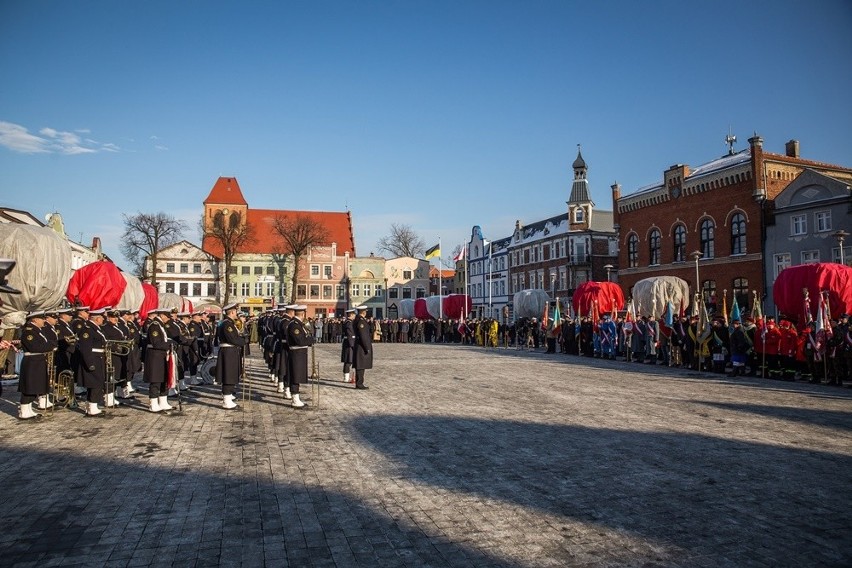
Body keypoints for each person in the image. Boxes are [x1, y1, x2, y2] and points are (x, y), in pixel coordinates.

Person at [18, 311, 56, 419]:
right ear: (34, 319)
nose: (44, 321)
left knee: (34, 386)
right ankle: (24, 411)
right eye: (41, 319)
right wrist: (51, 346)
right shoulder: (29, 331)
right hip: (32, 362)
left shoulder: (37, 330)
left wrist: (49, 345)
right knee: (29, 387)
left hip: (38, 361)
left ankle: (28, 410)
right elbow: (35, 347)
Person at [75, 307, 108, 416]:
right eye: (102, 318)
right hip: (93, 359)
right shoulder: (88, 330)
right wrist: (90, 363)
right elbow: (85, 349)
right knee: (95, 384)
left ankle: (91, 406)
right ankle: (92, 407)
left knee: (96, 384)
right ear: (97, 319)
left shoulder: (95, 328)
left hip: (98, 358)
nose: (103, 319)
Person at [216, 303, 247, 409]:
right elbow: (232, 338)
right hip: (228, 351)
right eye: (235, 312)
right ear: (232, 312)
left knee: (231, 374)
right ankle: (226, 400)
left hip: (231, 351)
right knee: (228, 375)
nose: (237, 314)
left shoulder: (229, 323)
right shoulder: (227, 324)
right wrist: (243, 341)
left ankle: (228, 397)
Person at [143, 308, 172, 412]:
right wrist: (169, 344)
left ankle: (163, 401)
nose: (168, 320)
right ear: (163, 315)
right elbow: (156, 342)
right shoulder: (154, 325)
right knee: (156, 380)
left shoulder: (160, 325)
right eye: (167, 317)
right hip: (155, 356)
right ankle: (153, 403)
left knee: (164, 379)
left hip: (161, 355)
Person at [286, 305, 313, 407]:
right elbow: (300, 340)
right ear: (302, 314)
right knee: (295, 376)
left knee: (297, 375)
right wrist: (310, 340)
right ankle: (295, 399)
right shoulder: (295, 325)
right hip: (296, 354)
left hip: (299, 353)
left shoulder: (298, 324)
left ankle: (296, 398)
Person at [353, 305, 373, 390]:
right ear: (363, 312)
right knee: (360, 365)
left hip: (359, 345)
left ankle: (359, 382)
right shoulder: (361, 321)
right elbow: (363, 336)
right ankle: (359, 383)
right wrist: (367, 348)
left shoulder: (358, 320)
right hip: (361, 346)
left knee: (361, 364)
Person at [341, 307, 357, 383]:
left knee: (348, 361)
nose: (354, 316)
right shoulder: (349, 323)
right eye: (353, 314)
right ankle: (346, 377)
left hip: (347, 343)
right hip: (349, 344)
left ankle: (346, 377)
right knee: (348, 361)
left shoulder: (348, 322)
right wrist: (353, 345)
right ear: (351, 315)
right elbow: (350, 335)